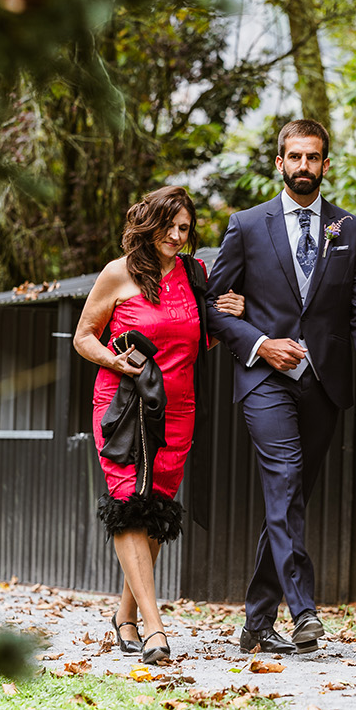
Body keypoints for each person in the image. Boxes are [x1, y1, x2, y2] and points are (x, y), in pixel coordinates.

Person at [207, 120, 356, 654]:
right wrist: (261, 343)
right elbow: (212, 307)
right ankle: (304, 611)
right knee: (285, 483)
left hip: (325, 384)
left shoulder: (349, 229)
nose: (303, 166)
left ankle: (257, 623)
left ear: (325, 164)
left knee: (290, 497)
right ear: (279, 162)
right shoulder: (246, 225)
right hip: (265, 380)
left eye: (313, 157)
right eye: (294, 157)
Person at [73, 186, 243, 665]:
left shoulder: (195, 274)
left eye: (184, 228)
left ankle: (125, 616)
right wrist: (115, 361)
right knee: (129, 502)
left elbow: (194, 341)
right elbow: (83, 337)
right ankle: (154, 628)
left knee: (156, 510)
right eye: (168, 226)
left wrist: (225, 318)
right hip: (123, 406)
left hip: (178, 408)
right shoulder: (118, 273)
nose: (176, 235)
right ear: (149, 225)